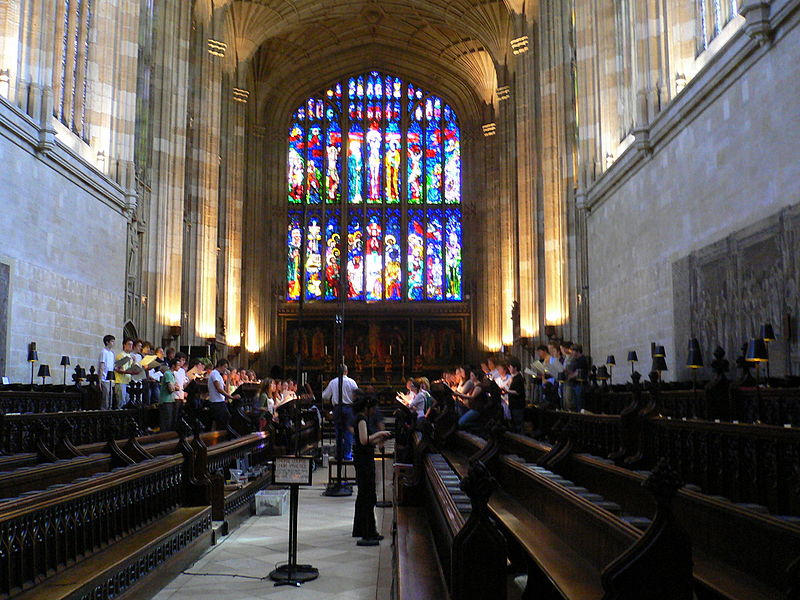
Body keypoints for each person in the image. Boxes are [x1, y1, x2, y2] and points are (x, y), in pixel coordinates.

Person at [349, 394, 392, 546]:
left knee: (363, 494)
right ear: (366, 408)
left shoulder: (362, 419)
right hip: (363, 461)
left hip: (363, 458)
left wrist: (379, 439)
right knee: (367, 494)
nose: (374, 411)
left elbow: (367, 440)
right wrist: (380, 434)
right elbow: (363, 440)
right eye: (373, 408)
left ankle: (361, 529)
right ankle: (368, 532)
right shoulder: (361, 420)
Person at [322, 365, 359, 461]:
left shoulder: (333, 382)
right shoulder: (352, 382)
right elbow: (357, 395)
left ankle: (338, 454)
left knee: (338, 432)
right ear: (346, 371)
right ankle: (347, 455)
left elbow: (325, 396)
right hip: (348, 408)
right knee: (348, 432)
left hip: (337, 409)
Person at [207, 359, 240, 430]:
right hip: (216, 402)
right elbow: (218, 389)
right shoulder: (214, 373)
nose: (225, 369)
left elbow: (225, 390)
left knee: (226, 419)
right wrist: (231, 397)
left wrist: (229, 378)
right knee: (223, 421)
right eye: (224, 367)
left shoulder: (219, 375)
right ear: (219, 365)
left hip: (220, 401)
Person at [113, 338, 138, 408]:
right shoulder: (121, 355)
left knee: (127, 402)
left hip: (128, 381)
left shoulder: (130, 356)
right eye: (129, 344)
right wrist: (130, 372)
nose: (131, 346)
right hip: (121, 381)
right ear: (124, 345)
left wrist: (134, 361)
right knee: (121, 402)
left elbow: (132, 368)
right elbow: (118, 369)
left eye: (132, 345)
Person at [565, 344, 588, 412]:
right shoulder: (576, 360)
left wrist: (570, 376)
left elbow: (578, 372)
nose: (571, 353)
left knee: (579, 403)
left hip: (580, 384)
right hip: (575, 384)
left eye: (573, 351)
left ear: (577, 351)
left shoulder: (582, 359)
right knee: (574, 403)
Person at [158, 360, 180, 432]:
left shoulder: (172, 375)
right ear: (173, 365)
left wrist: (175, 387)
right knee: (166, 421)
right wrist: (175, 387)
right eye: (178, 365)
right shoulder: (168, 374)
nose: (179, 367)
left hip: (170, 400)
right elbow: (171, 389)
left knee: (170, 420)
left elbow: (178, 387)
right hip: (165, 400)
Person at [507, 357, 526, 433]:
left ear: (515, 367)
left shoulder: (519, 378)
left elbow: (518, 391)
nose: (509, 368)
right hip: (513, 404)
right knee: (514, 423)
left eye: (510, 367)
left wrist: (507, 391)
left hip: (518, 405)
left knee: (518, 424)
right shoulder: (512, 377)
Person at [97, 334, 116, 410]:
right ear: (107, 342)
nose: (113, 343)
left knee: (110, 396)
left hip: (110, 378)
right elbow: (102, 366)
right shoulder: (103, 352)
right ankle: (104, 411)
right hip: (105, 378)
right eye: (112, 341)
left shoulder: (111, 353)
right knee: (106, 397)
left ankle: (109, 409)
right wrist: (99, 380)